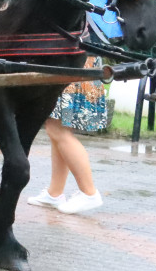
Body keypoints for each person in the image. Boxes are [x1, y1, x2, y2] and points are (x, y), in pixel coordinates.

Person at [27, 58, 107, 214]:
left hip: (72, 67)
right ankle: (54, 193)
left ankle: (89, 192)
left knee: (57, 130)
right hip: (74, 66)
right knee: (56, 129)